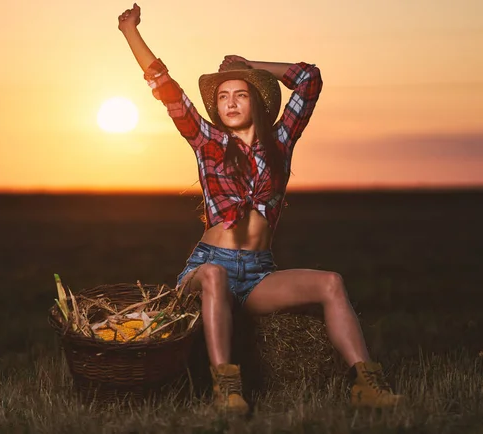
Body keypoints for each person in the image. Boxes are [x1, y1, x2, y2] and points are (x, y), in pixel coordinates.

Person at [118, 3, 403, 414]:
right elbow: (166, 87)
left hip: (257, 274)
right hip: (207, 266)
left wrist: (251, 65)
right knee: (215, 275)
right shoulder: (207, 142)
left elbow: (308, 80)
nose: (230, 103)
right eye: (222, 97)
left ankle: (367, 383)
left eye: (240, 94)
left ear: (256, 100)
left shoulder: (281, 143)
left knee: (332, 283)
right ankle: (226, 390)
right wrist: (130, 32)